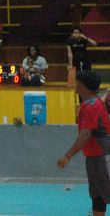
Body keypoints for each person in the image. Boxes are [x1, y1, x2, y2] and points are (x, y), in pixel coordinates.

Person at [57, 71, 110, 216]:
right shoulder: (90, 104)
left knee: (105, 191)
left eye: (78, 86)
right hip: (94, 157)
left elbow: (86, 135)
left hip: (102, 156)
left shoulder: (92, 106)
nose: (76, 89)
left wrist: (67, 156)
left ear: (85, 87)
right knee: (97, 193)